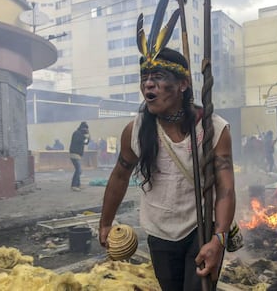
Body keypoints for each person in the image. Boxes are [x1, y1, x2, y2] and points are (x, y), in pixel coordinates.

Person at [98, 47, 236, 291]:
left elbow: (226, 189)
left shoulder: (213, 128)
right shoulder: (136, 130)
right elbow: (120, 176)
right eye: (144, 79)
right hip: (159, 232)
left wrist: (219, 239)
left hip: (200, 228)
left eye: (158, 77)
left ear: (182, 84)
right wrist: (105, 223)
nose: (148, 85)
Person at [69, 122, 89, 192]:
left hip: (77, 155)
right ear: (82, 128)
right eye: (85, 128)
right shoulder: (77, 133)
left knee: (78, 170)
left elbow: (86, 142)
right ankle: (74, 185)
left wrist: (87, 136)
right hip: (74, 154)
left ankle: (78, 185)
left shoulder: (80, 134)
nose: (86, 130)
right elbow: (80, 141)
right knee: (79, 170)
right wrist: (84, 137)